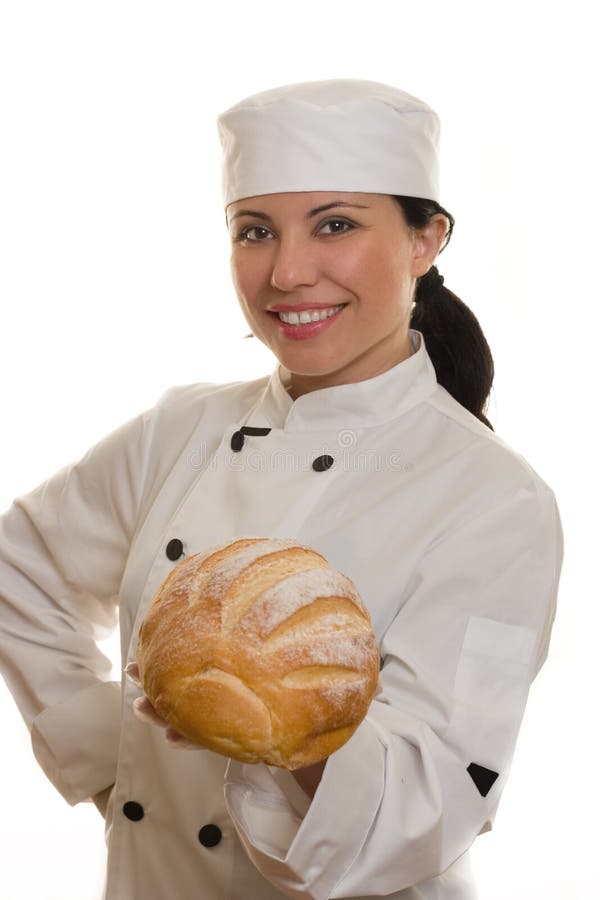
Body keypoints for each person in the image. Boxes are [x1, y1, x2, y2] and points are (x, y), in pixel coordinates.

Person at [0, 79, 563, 900]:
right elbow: (22, 564)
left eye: (336, 225)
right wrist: (117, 757)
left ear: (426, 240)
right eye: (255, 231)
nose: (288, 272)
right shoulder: (179, 428)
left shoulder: (495, 498)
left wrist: (299, 735)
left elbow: (442, 795)